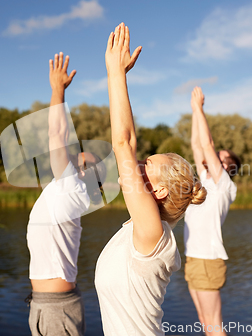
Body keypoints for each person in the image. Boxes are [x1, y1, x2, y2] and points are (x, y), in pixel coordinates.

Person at [94, 23, 207, 336]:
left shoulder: (152, 235)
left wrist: (116, 74)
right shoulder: (137, 229)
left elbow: (123, 144)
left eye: (146, 164)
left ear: (158, 190)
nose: (135, 165)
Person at [27, 52, 107, 336]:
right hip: (47, 303)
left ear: (85, 175)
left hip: (55, 307)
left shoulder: (72, 189)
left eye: (81, 161)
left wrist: (57, 90)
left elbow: (56, 134)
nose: (73, 160)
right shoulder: (66, 190)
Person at [184, 86, 240, 336]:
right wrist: (194, 113)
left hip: (208, 259)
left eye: (223, 158)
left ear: (230, 168)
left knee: (214, 327)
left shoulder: (224, 185)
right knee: (205, 323)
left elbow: (207, 144)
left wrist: (199, 108)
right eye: (218, 156)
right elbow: (198, 145)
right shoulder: (206, 180)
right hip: (194, 258)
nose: (217, 157)